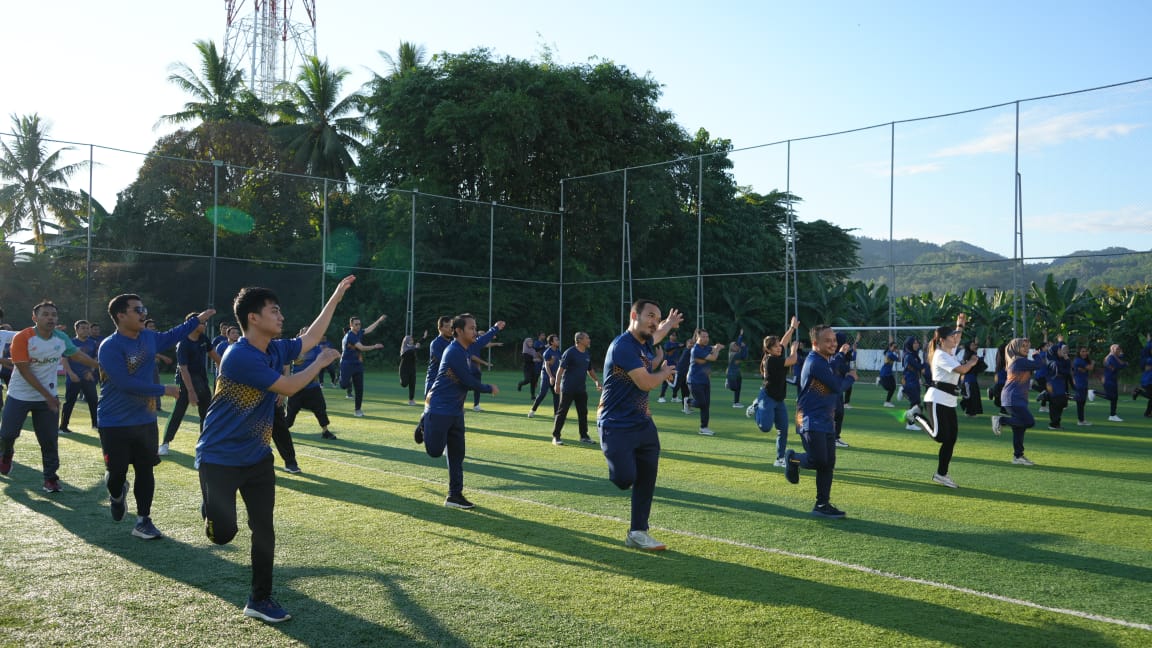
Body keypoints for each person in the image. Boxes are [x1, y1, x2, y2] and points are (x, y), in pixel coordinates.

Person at [197, 277, 349, 623]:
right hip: (219, 458)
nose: (281, 316)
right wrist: (320, 362)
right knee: (223, 535)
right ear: (253, 318)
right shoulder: (238, 356)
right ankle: (210, 509)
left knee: (263, 527)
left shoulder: (275, 349)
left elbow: (309, 338)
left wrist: (336, 298)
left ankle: (259, 599)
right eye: (274, 311)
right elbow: (290, 385)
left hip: (258, 457)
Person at [97, 297, 214, 539]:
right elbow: (124, 383)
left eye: (144, 309)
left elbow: (172, 335)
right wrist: (164, 390)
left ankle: (143, 521)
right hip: (114, 422)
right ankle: (117, 494)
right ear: (120, 315)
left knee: (145, 469)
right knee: (116, 474)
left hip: (145, 419)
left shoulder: (149, 338)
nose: (143, 314)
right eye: (137, 310)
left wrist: (197, 320)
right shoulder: (109, 346)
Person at [598, 299, 681, 550]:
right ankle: (621, 469)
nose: (654, 322)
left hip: (643, 423)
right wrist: (664, 373)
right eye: (650, 316)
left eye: (657, 318)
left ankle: (638, 531)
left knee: (647, 477)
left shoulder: (645, 343)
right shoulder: (623, 346)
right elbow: (645, 383)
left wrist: (668, 323)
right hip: (616, 424)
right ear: (634, 315)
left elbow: (657, 335)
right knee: (625, 479)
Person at [0, 301, 100, 491]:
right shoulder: (23, 337)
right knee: (7, 434)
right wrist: (48, 395)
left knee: (49, 440)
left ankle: (51, 479)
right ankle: (6, 454)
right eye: (45, 314)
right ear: (34, 318)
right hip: (19, 395)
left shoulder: (60, 338)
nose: (50, 318)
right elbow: (24, 369)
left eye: (53, 315)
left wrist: (99, 366)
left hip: (47, 398)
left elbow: (77, 355)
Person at [420, 313, 501, 509]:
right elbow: (467, 380)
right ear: (458, 331)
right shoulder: (454, 351)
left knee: (457, 454)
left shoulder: (466, 347)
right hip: (438, 409)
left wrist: (495, 329)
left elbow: (481, 342)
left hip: (456, 411)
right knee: (435, 451)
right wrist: (488, 388)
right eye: (471, 328)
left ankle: (454, 495)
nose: (475, 331)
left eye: (475, 327)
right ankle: (424, 422)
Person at [784, 324, 857, 518]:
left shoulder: (823, 360)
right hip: (809, 417)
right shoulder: (815, 361)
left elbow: (831, 369)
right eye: (828, 341)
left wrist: (840, 355)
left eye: (834, 340)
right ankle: (792, 458)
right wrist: (851, 378)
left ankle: (822, 504)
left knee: (828, 463)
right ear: (816, 343)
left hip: (825, 418)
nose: (833, 343)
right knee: (818, 460)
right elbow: (836, 385)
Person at [910, 317, 979, 488]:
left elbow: (958, 339)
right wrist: (971, 362)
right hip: (936, 399)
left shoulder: (949, 352)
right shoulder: (941, 355)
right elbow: (962, 370)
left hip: (949, 401)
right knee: (940, 436)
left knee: (951, 439)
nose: (955, 339)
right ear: (942, 340)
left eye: (955, 336)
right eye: (952, 337)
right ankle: (916, 415)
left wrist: (960, 325)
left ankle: (941, 474)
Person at [160, 313, 219, 456]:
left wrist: (227, 372)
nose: (204, 325)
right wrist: (191, 392)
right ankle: (165, 443)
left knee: (206, 414)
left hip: (202, 381)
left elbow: (217, 358)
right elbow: (183, 368)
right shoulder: (183, 343)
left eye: (205, 323)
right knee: (178, 413)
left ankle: (205, 444)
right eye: (202, 323)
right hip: (184, 382)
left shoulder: (204, 339)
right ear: (191, 324)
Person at [991, 338, 1047, 465]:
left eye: (1028, 346)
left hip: (1016, 398)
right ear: (1015, 348)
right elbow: (1039, 364)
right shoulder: (1019, 361)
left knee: (1019, 427)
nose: (1026, 349)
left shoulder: (1018, 360)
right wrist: (1037, 355)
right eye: (1023, 347)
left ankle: (1018, 456)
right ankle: (1000, 420)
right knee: (1029, 422)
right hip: (1013, 398)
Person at [755, 316, 800, 467]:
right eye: (775, 347)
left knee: (784, 429)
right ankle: (756, 408)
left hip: (779, 399)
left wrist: (792, 328)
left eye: (778, 346)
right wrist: (793, 350)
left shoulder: (776, 354)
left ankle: (780, 459)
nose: (779, 348)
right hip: (767, 397)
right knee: (765, 428)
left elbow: (784, 342)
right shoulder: (772, 360)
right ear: (768, 349)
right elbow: (793, 360)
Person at [285, 326, 337, 440]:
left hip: (312, 385)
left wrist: (331, 355)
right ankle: (282, 431)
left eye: (309, 332)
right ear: (300, 335)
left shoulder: (316, 348)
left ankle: (325, 431)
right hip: (297, 385)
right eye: (305, 332)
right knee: (291, 413)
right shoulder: (294, 348)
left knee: (320, 408)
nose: (308, 334)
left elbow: (324, 358)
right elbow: (285, 364)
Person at [550, 331, 601, 445]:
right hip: (568, 388)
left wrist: (597, 381)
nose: (589, 340)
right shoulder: (570, 352)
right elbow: (560, 369)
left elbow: (590, 369)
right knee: (562, 412)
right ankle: (556, 437)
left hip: (581, 389)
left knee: (583, 413)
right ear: (579, 340)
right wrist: (557, 384)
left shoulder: (586, 353)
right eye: (587, 338)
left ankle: (584, 436)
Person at [340, 314, 387, 417]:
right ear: (351, 325)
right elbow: (361, 348)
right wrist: (374, 346)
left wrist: (379, 320)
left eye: (359, 324)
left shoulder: (358, 333)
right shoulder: (350, 336)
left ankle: (358, 410)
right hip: (347, 364)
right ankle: (340, 379)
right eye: (356, 324)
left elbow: (368, 329)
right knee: (343, 385)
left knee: (359, 388)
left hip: (357, 364)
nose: (358, 326)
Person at [59, 319, 100, 434]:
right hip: (74, 377)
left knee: (93, 401)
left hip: (88, 377)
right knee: (70, 402)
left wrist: (90, 371)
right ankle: (63, 427)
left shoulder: (93, 343)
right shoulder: (70, 343)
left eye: (87, 328)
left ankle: (96, 424)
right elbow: (64, 359)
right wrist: (71, 374)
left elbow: (95, 359)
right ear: (76, 329)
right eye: (83, 328)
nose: (86, 330)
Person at [686, 328, 725, 436]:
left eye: (707, 336)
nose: (706, 338)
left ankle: (704, 428)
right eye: (703, 336)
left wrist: (717, 347)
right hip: (694, 380)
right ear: (697, 337)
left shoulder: (705, 347)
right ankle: (688, 401)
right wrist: (717, 349)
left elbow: (711, 348)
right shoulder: (696, 349)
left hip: (705, 380)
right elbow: (713, 357)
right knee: (702, 403)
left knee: (706, 405)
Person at [528, 335, 561, 418]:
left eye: (558, 340)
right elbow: (547, 366)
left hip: (554, 375)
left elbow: (560, 363)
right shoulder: (547, 352)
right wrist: (550, 377)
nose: (558, 341)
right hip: (546, 375)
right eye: (556, 340)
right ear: (551, 342)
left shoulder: (558, 351)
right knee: (542, 394)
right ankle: (532, 410)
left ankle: (556, 414)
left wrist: (558, 375)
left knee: (556, 394)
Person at [901, 336, 925, 431]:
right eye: (914, 343)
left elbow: (917, 369)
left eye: (917, 343)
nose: (917, 344)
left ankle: (910, 423)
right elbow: (918, 367)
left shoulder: (914, 354)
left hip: (914, 381)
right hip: (910, 382)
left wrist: (919, 378)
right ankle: (909, 420)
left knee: (915, 404)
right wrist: (928, 363)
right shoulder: (909, 356)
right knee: (917, 405)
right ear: (910, 344)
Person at [1046, 342, 1071, 429]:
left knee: (1061, 403)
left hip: (1060, 385)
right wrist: (1067, 361)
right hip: (1054, 385)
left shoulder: (1059, 360)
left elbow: (1067, 370)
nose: (1062, 351)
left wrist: (1066, 360)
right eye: (1059, 350)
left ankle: (1056, 423)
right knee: (1056, 404)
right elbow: (1064, 371)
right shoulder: (1053, 362)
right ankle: (1053, 424)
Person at [959, 339, 987, 417]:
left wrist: (983, 355)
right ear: (968, 347)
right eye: (972, 345)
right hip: (968, 379)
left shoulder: (972, 354)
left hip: (973, 379)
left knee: (974, 396)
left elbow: (978, 362)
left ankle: (972, 412)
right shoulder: (968, 355)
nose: (974, 346)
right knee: (969, 396)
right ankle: (968, 411)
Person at [398, 331, 427, 406]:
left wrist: (423, 337)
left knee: (412, 384)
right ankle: (402, 381)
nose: (412, 341)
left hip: (412, 369)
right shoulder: (404, 349)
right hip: (404, 369)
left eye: (412, 340)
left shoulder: (413, 347)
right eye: (410, 340)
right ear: (407, 341)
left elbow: (418, 344)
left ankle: (411, 400)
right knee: (404, 384)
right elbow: (409, 353)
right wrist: (416, 348)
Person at [656, 331, 685, 403]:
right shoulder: (667, 343)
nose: (673, 337)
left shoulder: (677, 344)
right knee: (665, 382)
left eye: (675, 335)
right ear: (669, 336)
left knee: (676, 382)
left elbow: (686, 345)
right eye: (672, 335)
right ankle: (661, 397)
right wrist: (677, 346)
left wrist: (694, 335)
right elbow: (667, 349)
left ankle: (674, 397)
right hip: (667, 365)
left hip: (675, 366)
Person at [1102, 344, 1127, 422]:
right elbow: (1119, 366)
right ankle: (1093, 392)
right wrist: (1125, 364)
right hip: (1109, 380)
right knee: (1111, 397)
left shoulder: (1114, 357)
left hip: (1112, 379)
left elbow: (1121, 360)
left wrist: (1122, 356)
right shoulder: (1110, 357)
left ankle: (1112, 415)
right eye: (1117, 349)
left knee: (1114, 398)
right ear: (1112, 350)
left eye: (1119, 349)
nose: (1119, 350)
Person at [1071, 346, 1094, 426]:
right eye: (1082, 351)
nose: (1084, 353)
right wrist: (1092, 362)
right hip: (1080, 384)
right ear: (1079, 352)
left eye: (1085, 351)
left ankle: (1081, 420)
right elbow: (1090, 367)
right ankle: (1081, 421)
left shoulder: (1082, 361)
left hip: (1083, 383)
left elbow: (1086, 369)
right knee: (1080, 402)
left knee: (1082, 402)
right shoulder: (1079, 361)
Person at [724, 331, 748, 408]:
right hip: (731, 374)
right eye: (735, 346)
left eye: (737, 346)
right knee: (734, 388)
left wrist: (741, 338)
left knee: (738, 389)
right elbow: (744, 356)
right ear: (731, 347)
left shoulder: (736, 353)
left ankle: (736, 403)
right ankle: (728, 383)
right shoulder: (733, 354)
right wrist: (744, 346)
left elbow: (743, 356)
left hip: (737, 373)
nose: (737, 346)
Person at [878, 341, 899, 407]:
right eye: (894, 347)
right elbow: (899, 360)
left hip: (888, 373)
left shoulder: (890, 353)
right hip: (885, 373)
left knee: (893, 387)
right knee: (890, 388)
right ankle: (887, 402)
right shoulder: (890, 354)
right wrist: (899, 353)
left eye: (896, 347)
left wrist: (896, 353)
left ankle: (887, 402)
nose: (895, 348)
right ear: (890, 347)